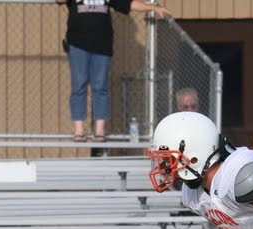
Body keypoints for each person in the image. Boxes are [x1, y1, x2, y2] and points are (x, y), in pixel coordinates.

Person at [57, 0, 170, 142]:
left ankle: (99, 130)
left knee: (100, 87)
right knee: (79, 85)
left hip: (102, 45)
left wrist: (152, 8)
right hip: (77, 44)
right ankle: (79, 130)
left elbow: (128, 4)